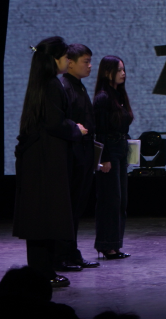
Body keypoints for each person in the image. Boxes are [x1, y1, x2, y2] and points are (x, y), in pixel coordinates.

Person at [13, 37, 88, 288]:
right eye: (66, 57)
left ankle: (41, 272)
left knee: (39, 220)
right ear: (55, 59)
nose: (68, 61)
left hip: (38, 159)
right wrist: (76, 129)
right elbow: (55, 122)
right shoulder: (52, 85)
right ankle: (44, 273)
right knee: (46, 219)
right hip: (47, 161)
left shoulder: (40, 84)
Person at [56, 44, 101, 271]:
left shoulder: (79, 86)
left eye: (90, 61)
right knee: (69, 208)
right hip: (72, 154)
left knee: (77, 207)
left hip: (83, 153)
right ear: (70, 63)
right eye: (85, 61)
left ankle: (72, 253)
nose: (90, 66)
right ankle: (62, 255)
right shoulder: (65, 87)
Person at [94, 55, 134, 259]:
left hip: (121, 149)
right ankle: (106, 245)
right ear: (107, 72)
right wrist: (105, 158)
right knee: (110, 200)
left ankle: (115, 244)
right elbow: (100, 131)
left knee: (121, 200)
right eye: (119, 70)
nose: (123, 73)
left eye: (123, 69)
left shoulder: (119, 95)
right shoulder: (103, 98)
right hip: (110, 150)